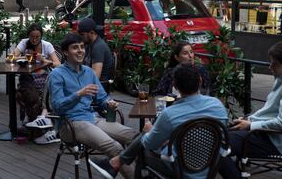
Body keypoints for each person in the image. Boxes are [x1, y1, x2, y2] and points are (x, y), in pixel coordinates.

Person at [89, 63, 228, 179]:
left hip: (178, 169)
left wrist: (148, 132)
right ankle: (116, 162)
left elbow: (149, 144)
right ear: (200, 81)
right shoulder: (217, 106)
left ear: (175, 86)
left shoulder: (170, 114)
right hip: (209, 167)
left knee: (143, 147)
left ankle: (117, 163)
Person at [49, 33, 139, 179]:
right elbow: (57, 106)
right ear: (65, 52)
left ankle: (143, 173)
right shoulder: (57, 75)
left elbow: (102, 97)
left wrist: (108, 103)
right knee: (114, 146)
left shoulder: (88, 72)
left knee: (137, 137)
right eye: (75, 48)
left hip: (92, 118)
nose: (80, 50)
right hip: (70, 123)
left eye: (82, 47)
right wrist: (78, 94)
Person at [219, 41, 282, 178]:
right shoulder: (279, 79)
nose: (270, 67)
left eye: (274, 64)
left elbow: (280, 122)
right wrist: (249, 119)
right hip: (265, 134)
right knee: (216, 138)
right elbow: (269, 111)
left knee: (215, 146)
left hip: (274, 140)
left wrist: (251, 125)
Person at [13, 23, 61, 141]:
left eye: (37, 37)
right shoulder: (24, 43)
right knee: (30, 95)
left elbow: (58, 64)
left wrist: (44, 60)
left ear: (41, 36)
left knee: (30, 96)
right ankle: (36, 127)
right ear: (28, 36)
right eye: (32, 37)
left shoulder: (47, 45)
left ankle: (34, 126)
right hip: (28, 77)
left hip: (43, 77)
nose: (34, 39)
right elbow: (13, 57)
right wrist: (24, 58)